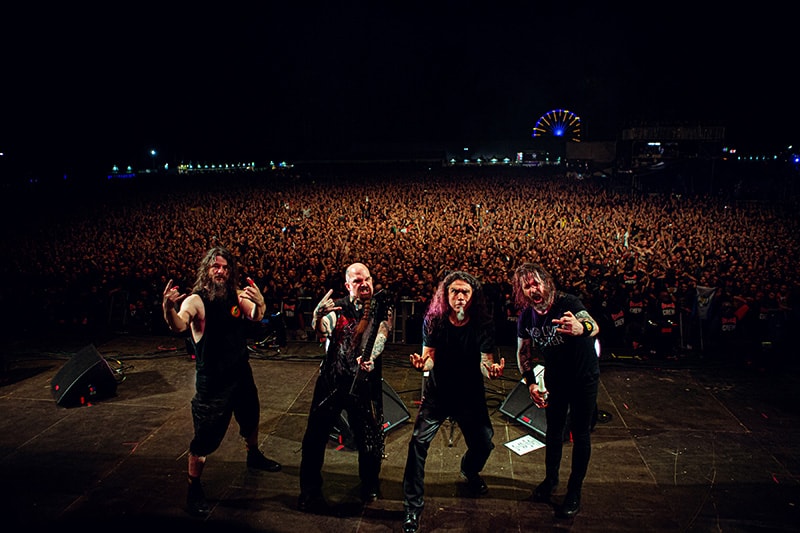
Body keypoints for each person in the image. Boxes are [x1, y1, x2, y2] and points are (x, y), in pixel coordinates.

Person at [162, 245, 281, 517]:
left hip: (241, 374)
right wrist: (167, 308)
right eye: (216, 266)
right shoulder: (195, 300)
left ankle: (253, 455)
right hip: (212, 382)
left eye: (226, 268)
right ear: (207, 269)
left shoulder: (236, 296)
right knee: (205, 438)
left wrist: (260, 302)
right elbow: (178, 326)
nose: (221, 271)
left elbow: (255, 315)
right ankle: (194, 487)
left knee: (250, 417)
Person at [401, 270, 505, 533]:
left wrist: (490, 370)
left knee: (483, 443)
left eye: (465, 292)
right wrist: (424, 364)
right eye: (454, 292)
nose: (459, 296)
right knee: (417, 443)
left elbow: (485, 361)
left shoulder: (483, 324)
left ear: (473, 297)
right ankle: (412, 506)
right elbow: (430, 356)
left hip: (470, 394)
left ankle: (469, 471)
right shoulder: (434, 320)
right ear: (445, 296)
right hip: (438, 394)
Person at [298, 262, 393, 513]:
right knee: (314, 438)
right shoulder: (339, 306)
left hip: (364, 384)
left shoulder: (381, 306)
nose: (364, 285)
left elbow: (382, 331)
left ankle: (370, 483)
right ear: (348, 285)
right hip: (332, 381)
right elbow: (324, 327)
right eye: (358, 281)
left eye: (368, 279)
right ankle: (309, 490)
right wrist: (318, 318)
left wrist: (371, 354)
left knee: (369, 439)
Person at [511, 262, 600, 519]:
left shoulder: (568, 303)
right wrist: (529, 382)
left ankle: (575, 490)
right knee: (553, 431)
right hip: (556, 380)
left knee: (580, 433)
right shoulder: (526, 317)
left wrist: (581, 328)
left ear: (547, 283)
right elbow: (523, 352)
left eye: (536, 283)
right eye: (527, 286)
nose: (533, 289)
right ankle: (550, 480)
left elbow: (593, 324)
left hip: (584, 378)